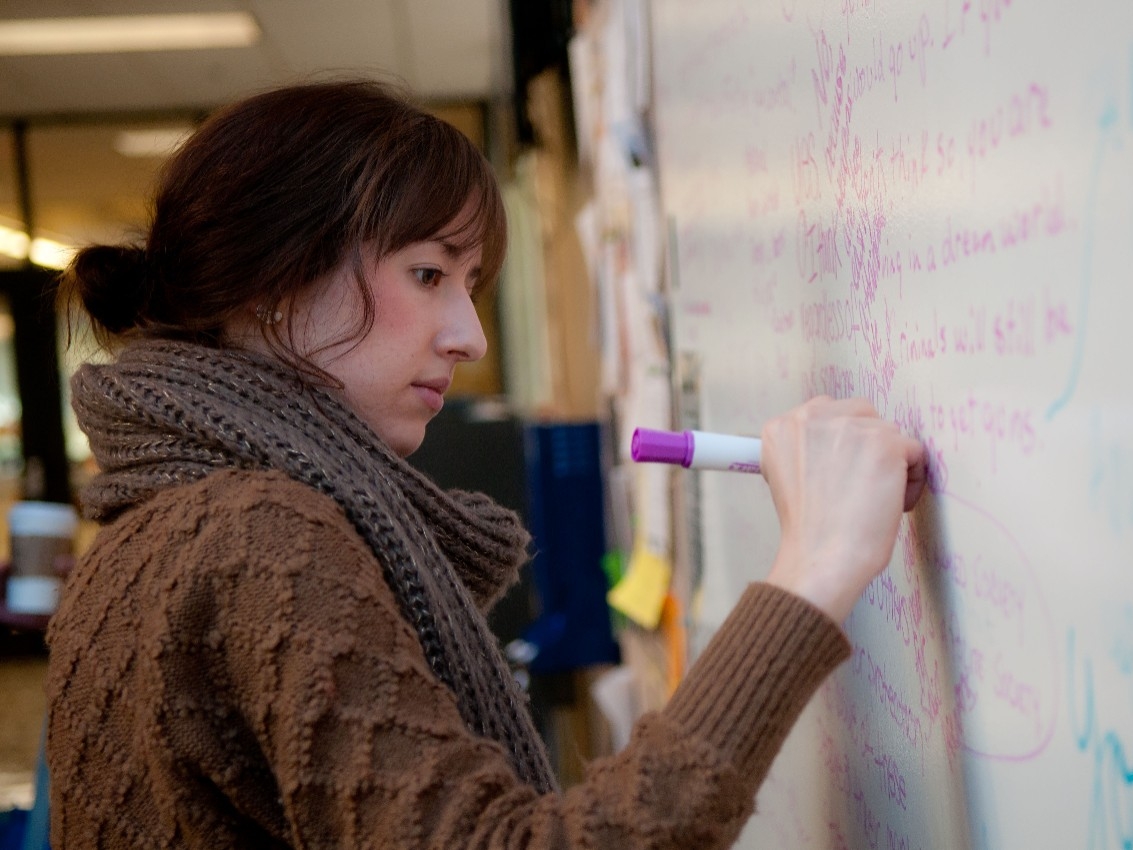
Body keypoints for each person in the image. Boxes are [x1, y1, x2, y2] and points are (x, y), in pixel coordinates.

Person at [45, 78, 926, 850]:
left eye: (468, 286)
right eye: (429, 274)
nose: (468, 337)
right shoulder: (255, 536)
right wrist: (814, 566)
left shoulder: (134, 540)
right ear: (272, 283)